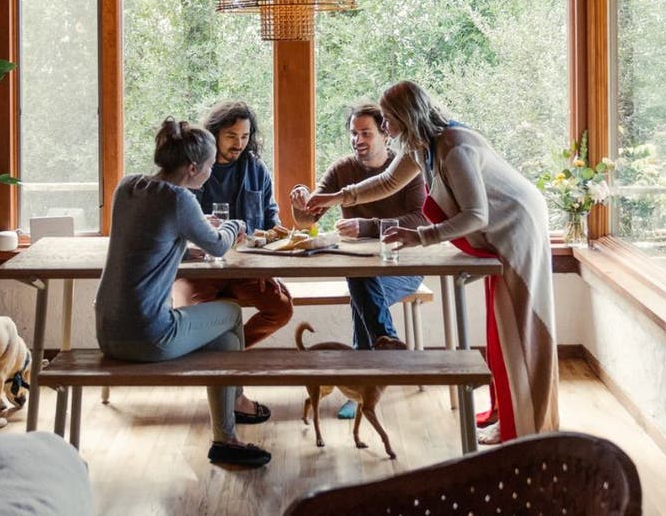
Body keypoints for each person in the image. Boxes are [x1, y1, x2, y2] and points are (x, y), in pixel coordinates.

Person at [305, 81, 558, 445]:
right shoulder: (421, 146)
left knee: (521, 330)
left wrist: (419, 237)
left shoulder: (454, 148)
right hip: (500, 229)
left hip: (517, 225)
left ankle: (529, 427)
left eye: (388, 120)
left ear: (406, 118)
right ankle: (509, 412)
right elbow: (387, 182)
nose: (386, 128)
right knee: (501, 331)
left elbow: (475, 215)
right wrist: (333, 198)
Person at [95, 118, 271, 467]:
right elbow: (220, 247)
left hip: (107, 331)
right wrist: (234, 223)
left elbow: (153, 240)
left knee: (225, 345)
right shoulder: (179, 200)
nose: (211, 171)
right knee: (232, 312)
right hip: (149, 336)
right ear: (193, 168)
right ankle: (234, 405)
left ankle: (226, 438)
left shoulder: (128, 186)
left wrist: (196, 224)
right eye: (208, 166)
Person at [290, 103, 428, 418]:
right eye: (353, 133)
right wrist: (299, 199)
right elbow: (306, 219)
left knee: (360, 286)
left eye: (366, 132)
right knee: (360, 278)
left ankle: (361, 380)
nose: (357, 139)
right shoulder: (341, 170)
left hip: (404, 265)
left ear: (386, 135)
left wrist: (368, 227)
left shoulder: (407, 167)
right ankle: (385, 348)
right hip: (361, 266)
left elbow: (421, 218)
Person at [175, 101, 294, 350]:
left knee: (281, 309)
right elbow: (176, 227)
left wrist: (268, 268)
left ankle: (230, 352)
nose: (238, 144)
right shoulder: (193, 168)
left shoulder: (256, 169)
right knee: (191, 318)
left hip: (244, 267)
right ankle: (222, 365)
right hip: (200, 268)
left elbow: (272, 224)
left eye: (244, 136)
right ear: (215, 133)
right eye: (231, 136)